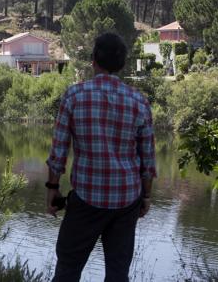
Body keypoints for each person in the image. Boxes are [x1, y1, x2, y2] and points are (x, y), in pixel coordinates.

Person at [46, 33, 156, 282]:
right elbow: (148, 159)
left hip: (86, 199)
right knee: (118, 273)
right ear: (123, 64)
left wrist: (52, 187)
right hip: (127, 199)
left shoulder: (74, 96)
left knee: (68, 269)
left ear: (93, 60)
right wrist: (146, 196)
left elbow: (59, 150)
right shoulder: (139, 101)